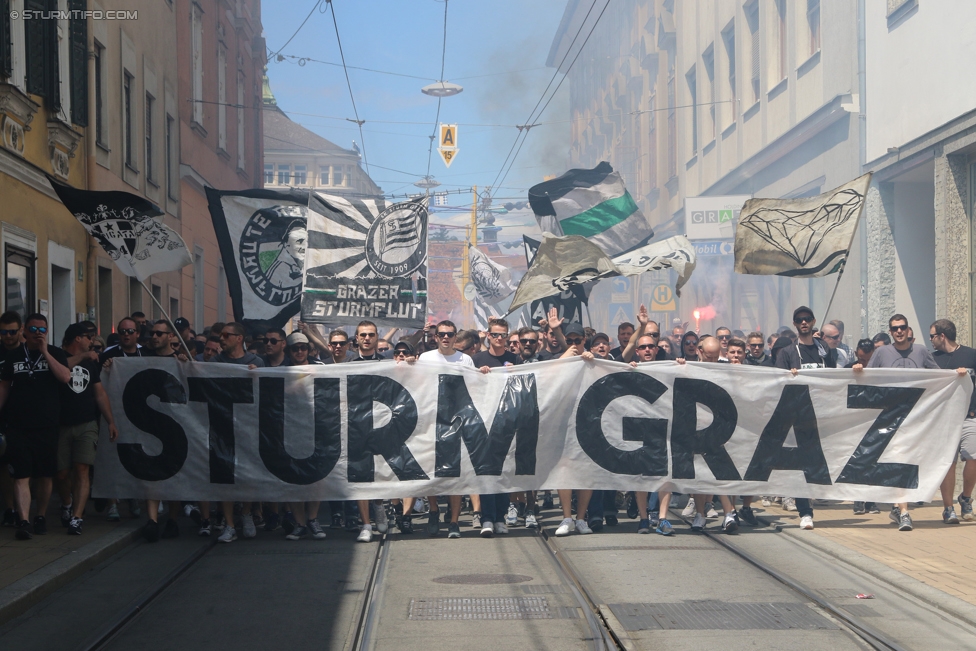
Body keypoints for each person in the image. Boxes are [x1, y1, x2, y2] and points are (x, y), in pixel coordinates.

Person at [853, 314, 943, 532]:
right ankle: (903, 511)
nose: (899, 331)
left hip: (916, 418)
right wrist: (858, 371)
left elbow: (941, 377)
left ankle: (896, 506)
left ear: (908, 329)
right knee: (899, 460)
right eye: (895, 329)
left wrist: (957, 375)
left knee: (907, 462)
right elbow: (869, 379)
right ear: (891, 332)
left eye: (902, 327)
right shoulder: (882, 353)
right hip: (890, 418)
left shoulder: (921, 351)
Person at [0, 314, 71, 540]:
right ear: (24, 330)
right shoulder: (14, 356)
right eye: (33, 329)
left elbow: (65, 377)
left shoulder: (56, 353)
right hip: (18, 425)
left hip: (47, 425)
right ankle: (23, 520)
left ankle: (40, 515)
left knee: (44, 474)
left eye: (42, 329)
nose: (38, 333)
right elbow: (4, 387)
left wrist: (45, 353)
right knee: (21, 474)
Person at [774, 306, 835, 531]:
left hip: (820, 414)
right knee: (801, 465)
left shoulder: (824, 349)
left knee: (818, 462)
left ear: (813, 321)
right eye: (799, 320)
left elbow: (832, 377)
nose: (804, 323)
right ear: (795, 324)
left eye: (807, 319)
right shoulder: (788, 353)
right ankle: (805, 512)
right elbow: (777, 383)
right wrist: (788, 377)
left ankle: (817, 497)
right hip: (797, 416)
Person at [415, 321, 478, 539]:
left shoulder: (465, 359)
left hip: (456, 421)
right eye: (441, 334)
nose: (445, 337)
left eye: (449, 334)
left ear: (454, 337)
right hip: (430, 420)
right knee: (431, 470)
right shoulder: (425, 358)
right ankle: (433, 511)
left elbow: (475, 386)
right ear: (436, 337)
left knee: (455, 473)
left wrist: (485, 374)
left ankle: (453, 521)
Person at [56, 323, 119, 535]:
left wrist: (110, 420)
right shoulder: (58, 355)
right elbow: (61, 367)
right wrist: (83, 357)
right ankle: (67, 503)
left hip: (86, 423)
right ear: (77, 339)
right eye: (88, 337)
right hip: (61, 424)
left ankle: (77, 517)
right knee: (62, 473)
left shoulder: (91, 364)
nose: (92, 341)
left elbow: (99, 393)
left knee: (82, 469)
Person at [278, 332, 328, 541]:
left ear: (309, 350)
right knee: (292, 478)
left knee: (316, 477)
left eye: (303, 348)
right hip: (289, 430)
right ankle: (299, 523)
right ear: (288, 351)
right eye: (295, 348)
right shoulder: (278, 371)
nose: (299, 352)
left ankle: (313, 519)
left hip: (316, 429)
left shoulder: (320, 367)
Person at [472, 318, 520, 538]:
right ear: (488, 336)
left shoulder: (514, 359)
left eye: (503, 335)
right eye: (495, 335)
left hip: (507, 422)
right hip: (483, 422)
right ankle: (487, 518)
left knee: (504, 472)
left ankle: (500, 517)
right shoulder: (477, 359)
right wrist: (478, 376)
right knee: (486, 473)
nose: (499, 338)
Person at [348, 321, 393, 542]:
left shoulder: (388, 363)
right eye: (363, 335)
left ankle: (379, 504)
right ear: (356, 338)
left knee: (380, 473)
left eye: (371, 335)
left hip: (383, 425)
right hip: (356, 426)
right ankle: (365, 524)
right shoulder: (347, 363)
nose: (367, 338)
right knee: (360, 475)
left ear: (377, 337)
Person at [930, 319, 976, 524]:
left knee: (973, 458)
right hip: (945, 420)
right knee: (948, 463)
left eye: (932, 336)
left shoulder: (971, 355)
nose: (930, 339)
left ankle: (965, 498)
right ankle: (948, 508)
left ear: (942, 336)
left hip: (969, 417)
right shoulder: (933, 360)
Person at [627, 332, 673, 535]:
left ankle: (662, 518)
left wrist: (682, 365)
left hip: (663, 429)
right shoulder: (630, 368)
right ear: (637, 351)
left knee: (665, 475)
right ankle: (644, 518)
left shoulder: (668, 368)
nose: (647, 350)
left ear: (656, 350)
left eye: (650, 347)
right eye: (643, 347)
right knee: (641, 477)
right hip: (638, 429)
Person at [555, 323, 596, 537]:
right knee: (565, 469)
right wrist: (565, 356)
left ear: (584, 341)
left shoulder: (592, 361)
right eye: (569, 340)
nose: (573, 344)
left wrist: (591, 360)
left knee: (585, 471)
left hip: (587, 423)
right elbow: (548, 376)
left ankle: (581, 518)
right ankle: (566, 517)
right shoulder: (561, 359)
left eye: (577, 341)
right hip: (564, 422)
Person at [0, 311, 24, 528]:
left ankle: (22, 508)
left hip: (24, 414)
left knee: (22, 465)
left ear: (20, 330)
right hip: (2, 414)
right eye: (3, 332)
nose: (7, 336)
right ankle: (10, 508)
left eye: (12, 331)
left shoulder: (28, 352)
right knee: (4, 464)